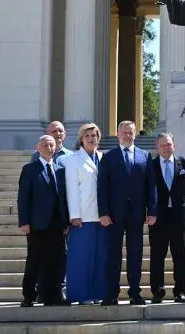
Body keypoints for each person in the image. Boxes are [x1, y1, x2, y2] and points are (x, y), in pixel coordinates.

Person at [97, 121, 157, 306]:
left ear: (135, 135)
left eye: (130, 133)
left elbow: (151, 186)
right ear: (117, 134)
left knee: (135, 254)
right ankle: (111, 293)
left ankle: (135, 293)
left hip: (137, 214)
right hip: (114, 215)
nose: (127, 136)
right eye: (124, 133)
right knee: (113, 254)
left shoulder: (144, 156)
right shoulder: (109, 157)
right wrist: (104, 212)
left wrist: (152, 210)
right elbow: (102, 187)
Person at [17, 135, 70, 307]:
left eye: (52, 145)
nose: (49, 148)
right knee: (35, 260)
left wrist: (66, 221)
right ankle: (29, 296)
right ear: (37, 148)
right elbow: (23, 198)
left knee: (56, 261)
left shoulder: (60, 170)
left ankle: (52, 295)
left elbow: (63, 197)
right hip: (37, 224)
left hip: (57, 224)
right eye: (45, 145)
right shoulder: (29, 169)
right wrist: (24, 221)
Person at [62, 123, 106, 305]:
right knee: (81, 258)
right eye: (87, 136)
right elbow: (71, 188)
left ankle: (96, 293)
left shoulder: (103, 157)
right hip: (83, 217)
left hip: (102, 217)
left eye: (94, 135)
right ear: (81, 139)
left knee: (99, 257)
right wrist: (74, 214)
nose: (91, 139)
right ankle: (81, 294)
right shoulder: (73, 159)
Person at [148, 133, 185, 304]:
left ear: (174, 145)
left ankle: (180, 291)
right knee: (157, 255)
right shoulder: (150, 166)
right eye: (162, 145)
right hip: (158, 216)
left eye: (169, 144)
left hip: (179, 216)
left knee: (180, 255)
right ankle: (157, 291)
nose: (166, 147)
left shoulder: (184, 164)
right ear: (157, 147)